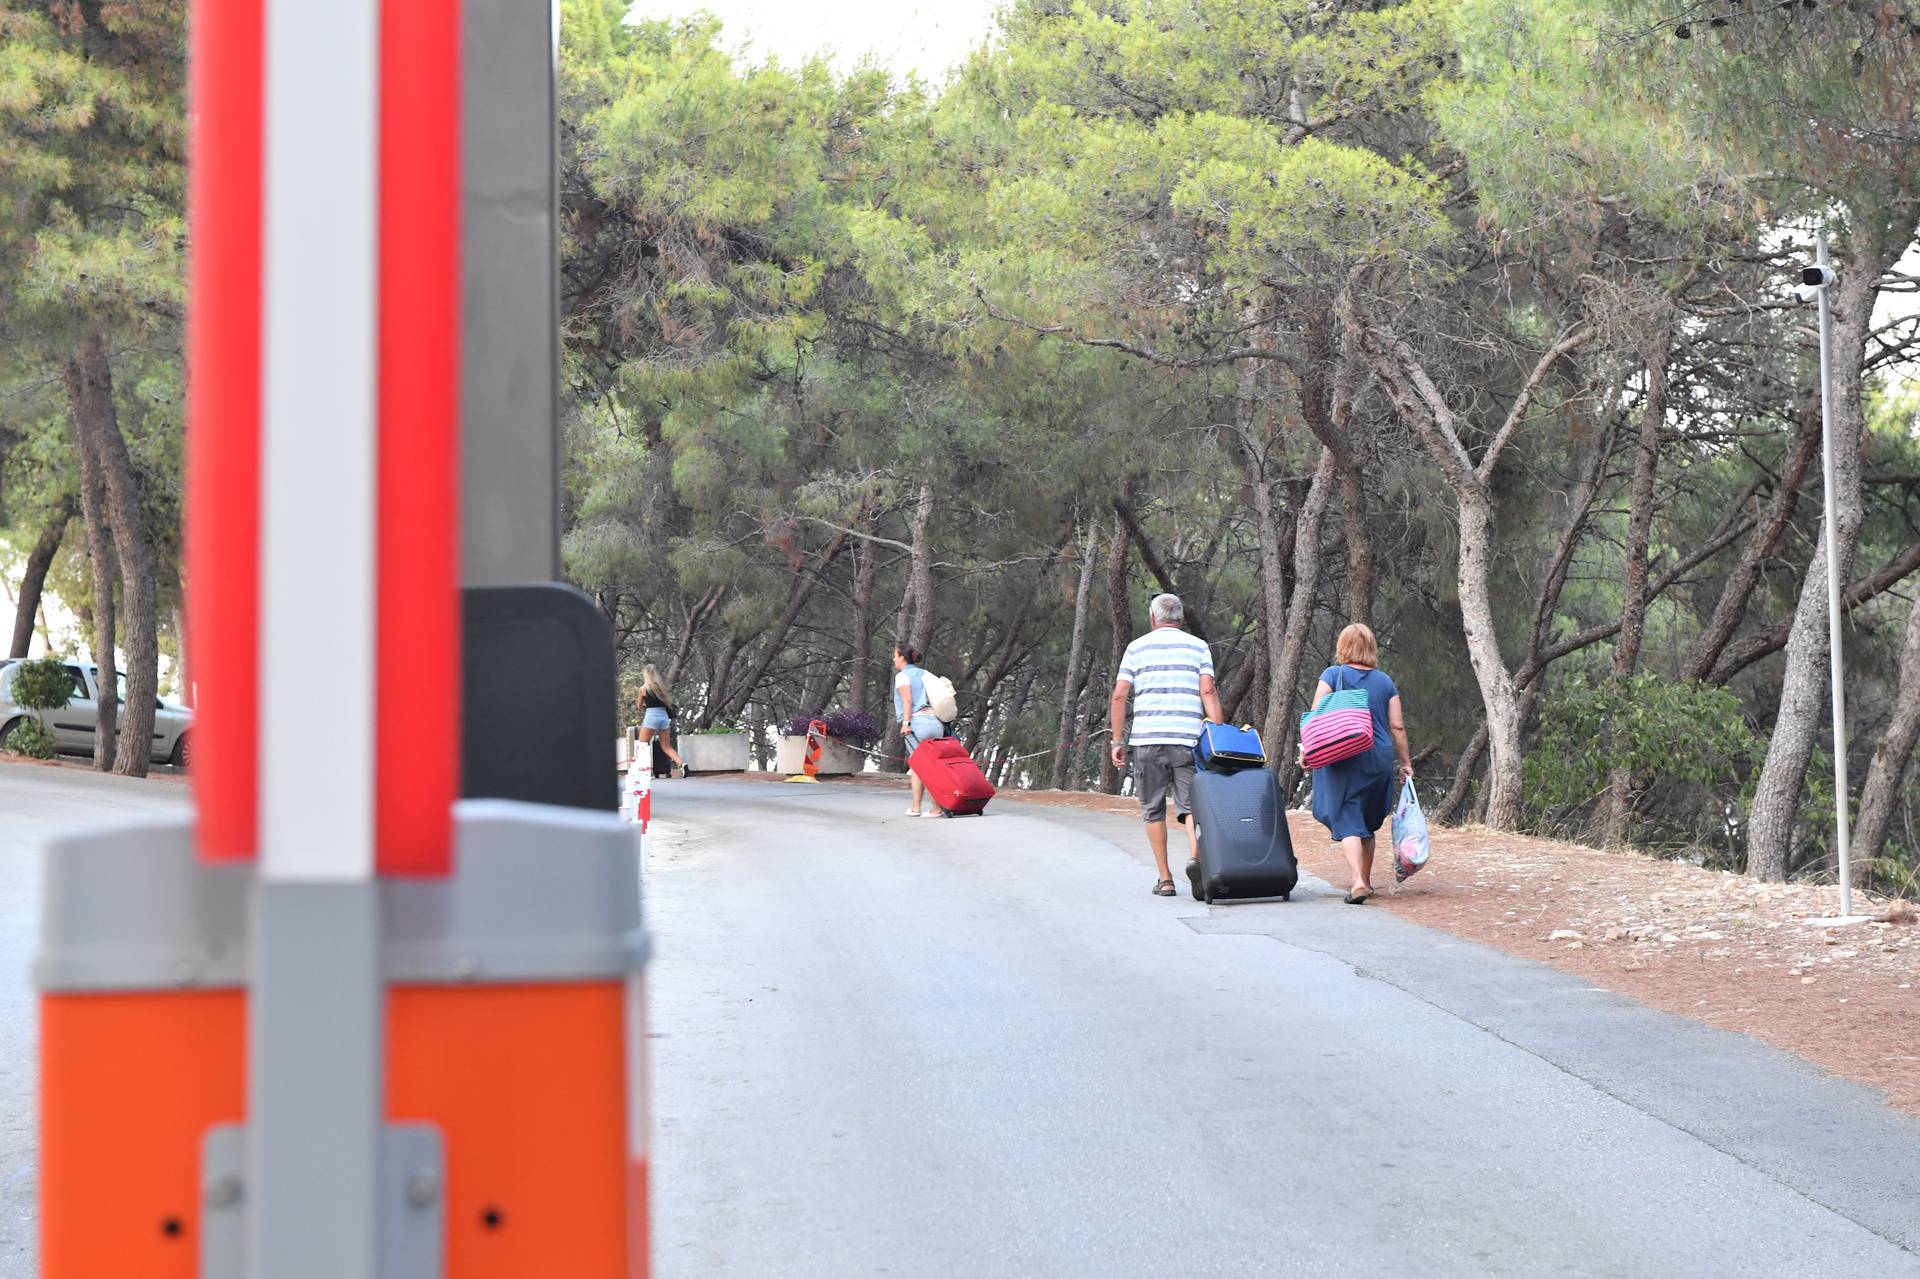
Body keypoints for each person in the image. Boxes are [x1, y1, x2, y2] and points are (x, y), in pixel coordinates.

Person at [1110, 594, 1223, 896]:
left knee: (1153, 809)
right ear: (1181, 619)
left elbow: (1120, 694)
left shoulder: (1136, 648)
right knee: (1191, 806)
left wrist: (1117, 740)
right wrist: (1219, 732)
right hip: (1187, 738)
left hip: (1147, 740)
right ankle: (1196, 858)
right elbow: (1208, 690)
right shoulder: (1198, 646)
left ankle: (1165, 879)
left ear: (1152, 618)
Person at [1303, 623, 1413, 904]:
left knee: (1348, 819)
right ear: (1370, 648)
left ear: (1343, 647)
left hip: (1342, 755)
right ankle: (1367, 880)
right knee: (1367, 821)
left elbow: (1316, 715)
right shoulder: (1385, 682)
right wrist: (1406, 763)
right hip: (1378, 757)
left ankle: (1358, 882)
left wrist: (1307, 751)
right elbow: (1397, 727)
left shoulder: (1332, 675)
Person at [894, 643, 946, 817]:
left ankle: (935, 808)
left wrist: (906, 724)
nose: (893, 659)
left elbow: (907, 701)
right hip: (936, 723)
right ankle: (917, 807)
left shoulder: (902, 676)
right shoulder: (926, 674)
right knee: (920, 765)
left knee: (923, 766)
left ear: (902, 657)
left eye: (895, 655)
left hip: (918, 723)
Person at [637, 665, 687, 778]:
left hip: (651, 716)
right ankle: (682, 764)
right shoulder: (661, 688)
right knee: (666, 747)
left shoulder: (643, 688)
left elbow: (639, 706)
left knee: (642, 745)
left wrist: (646, 705)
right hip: (663, 717)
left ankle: (645, 771)